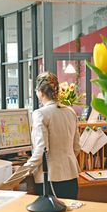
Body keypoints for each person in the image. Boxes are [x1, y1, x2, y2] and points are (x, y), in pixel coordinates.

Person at [25, 72, 80, 200]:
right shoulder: (71, 112)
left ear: (40, 91)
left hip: (50, 180)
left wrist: (23, 170)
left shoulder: (41, 114)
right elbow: (76, 148)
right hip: (71, 177)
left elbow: (41, 152)